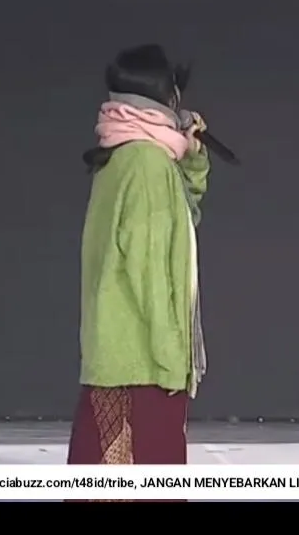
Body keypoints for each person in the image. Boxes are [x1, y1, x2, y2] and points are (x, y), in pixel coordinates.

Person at [66, 44, 211, 500]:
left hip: (118, 357)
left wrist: (191, 155)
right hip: (143, 364)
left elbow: (182, 211)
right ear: (166, 97)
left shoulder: (123, 154)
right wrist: (172, 362)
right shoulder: (147, 164)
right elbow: (148, 270)